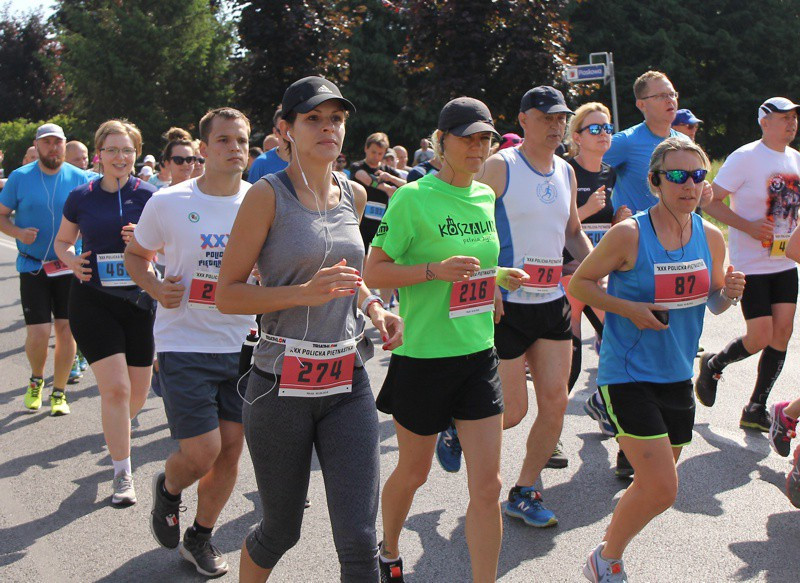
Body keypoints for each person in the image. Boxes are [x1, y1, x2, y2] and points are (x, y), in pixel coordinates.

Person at [214, 76, 402, 583]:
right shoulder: (266, 196)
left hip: (347, 378)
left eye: (336, 119)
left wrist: (374, 307)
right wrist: (301, 293)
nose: (327, 128)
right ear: (285, 130)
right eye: (313, 119)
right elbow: (227, 294)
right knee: (280, 529)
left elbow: (350, 274)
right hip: (279, 383)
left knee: (361, 542)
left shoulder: (355, 194)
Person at [569, 137, 745, 582]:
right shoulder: (630, 233)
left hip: (677, 374)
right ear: (655, 182)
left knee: (652, 485)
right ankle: (607, 560)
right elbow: (580, 284)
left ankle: (606, 549)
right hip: (627, 373)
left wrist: (730, 293)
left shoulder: (709, 236)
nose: (689, 184)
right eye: (678, 175)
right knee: (664, 488)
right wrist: (629, 310)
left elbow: (714, 303)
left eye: (698, 175)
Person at [368, 96, 527, 583]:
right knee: (413, 473)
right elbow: (375, 270)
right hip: (424, 358)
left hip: (478, 354)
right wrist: (433, 270)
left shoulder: (483, 196)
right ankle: (389, 548)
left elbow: (472, 268)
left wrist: (496, 280)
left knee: (488, 485)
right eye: (468, 138)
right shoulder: (413, 198)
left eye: (485, 139)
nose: (479, 148)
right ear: (441, 142)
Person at [443, 85, 591, 528]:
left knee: (556, 402)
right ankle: (454, 423)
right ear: (524, 119)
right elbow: (471, 224)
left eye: (561, 118)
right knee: (513, 409)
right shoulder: (500, 166)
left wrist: (599, 265)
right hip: (505, 303)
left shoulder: (565, 171)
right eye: (546, 118)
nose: (556, 126)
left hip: (551, 302)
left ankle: (525, 490)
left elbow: (572, 231)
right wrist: (485, 283)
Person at [125, 108, 256, 577]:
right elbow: (137, 254)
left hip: (243, 342)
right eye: (223, 140)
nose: (234, 148)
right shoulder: (169, 201)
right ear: (203, 149)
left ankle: (199, 537)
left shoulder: (259, 201)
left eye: (240, 139)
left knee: (231, 449)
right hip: (184, 342)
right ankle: (169, 487)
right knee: (202, 452)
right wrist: (156, 287)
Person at [54, 119, 156, 505]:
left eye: (126, 150)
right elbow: (62, 241)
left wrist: (146, 243)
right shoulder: (81, 196)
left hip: (138, 300)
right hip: (92, 299)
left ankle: (118, 434)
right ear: (99, 154)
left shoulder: (150, 196)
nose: (120, 157)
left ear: (135, 153)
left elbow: (167, 249)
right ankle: (122, 473)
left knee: (138, 394)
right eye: (112, 149)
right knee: (116, 388)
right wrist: (71, 260)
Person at [696, 97, 800, 431]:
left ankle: (756, 407)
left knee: (782, 333)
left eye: (794, 118)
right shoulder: (744, 157)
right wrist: (748, 226)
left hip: (785, 262)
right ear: (764, 121)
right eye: (784, 118)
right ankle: (715, 363)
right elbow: (709, 201)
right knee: (759, 335)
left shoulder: (796, 159)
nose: (791, 123)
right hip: (751, 264)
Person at [0, 123, 89, 414]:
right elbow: (1, 217)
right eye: (47, 142)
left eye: (58, 142)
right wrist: (17, 233)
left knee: (66, 329)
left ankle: (60, 392)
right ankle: (37, 380)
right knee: (38, 332)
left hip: (67, 266)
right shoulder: (19, 177)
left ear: (65, 145)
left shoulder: (79, 178)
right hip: (33, 266)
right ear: (37, 146)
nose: (53, 147)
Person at [562, 103, 631, 399]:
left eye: (607, 128)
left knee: (623, 347)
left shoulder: (609, 173)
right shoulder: (565, 170)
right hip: (567, 275)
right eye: (595, 128)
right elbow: (556, 224)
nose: (603, 134)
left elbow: (605, 223)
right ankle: (549, 434)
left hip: (600, 274)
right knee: (570, 363)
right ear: (578, 137)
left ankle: (604, 405)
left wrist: (618, 222)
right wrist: (586, 210)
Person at [603, 70, 686, 214]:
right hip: (637, 234)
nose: (669, 100)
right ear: (641, 105)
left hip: (678, 232)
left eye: (672, 94)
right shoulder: (625, 142)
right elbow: (584, 172)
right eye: (661, 96)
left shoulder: (684, 142)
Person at [350, 131, 405, 307]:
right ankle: (358, 297)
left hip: (381, 221)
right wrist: (386, 188)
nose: (376, 157)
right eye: (373, 152)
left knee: (386, 261)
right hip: (358, 221)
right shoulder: (357, 166)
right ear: (366, 149)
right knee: (358, 258)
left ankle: (386, 302)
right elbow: (365, 179)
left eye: (380, 154)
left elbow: (408, 186)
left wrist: (390, 178)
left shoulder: (387, 171)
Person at [247, 107, 290, 184]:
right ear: (275, 132)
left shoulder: (312, 160)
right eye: (282, 129)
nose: (287, 135)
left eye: (290, 129)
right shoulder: (261, 164)